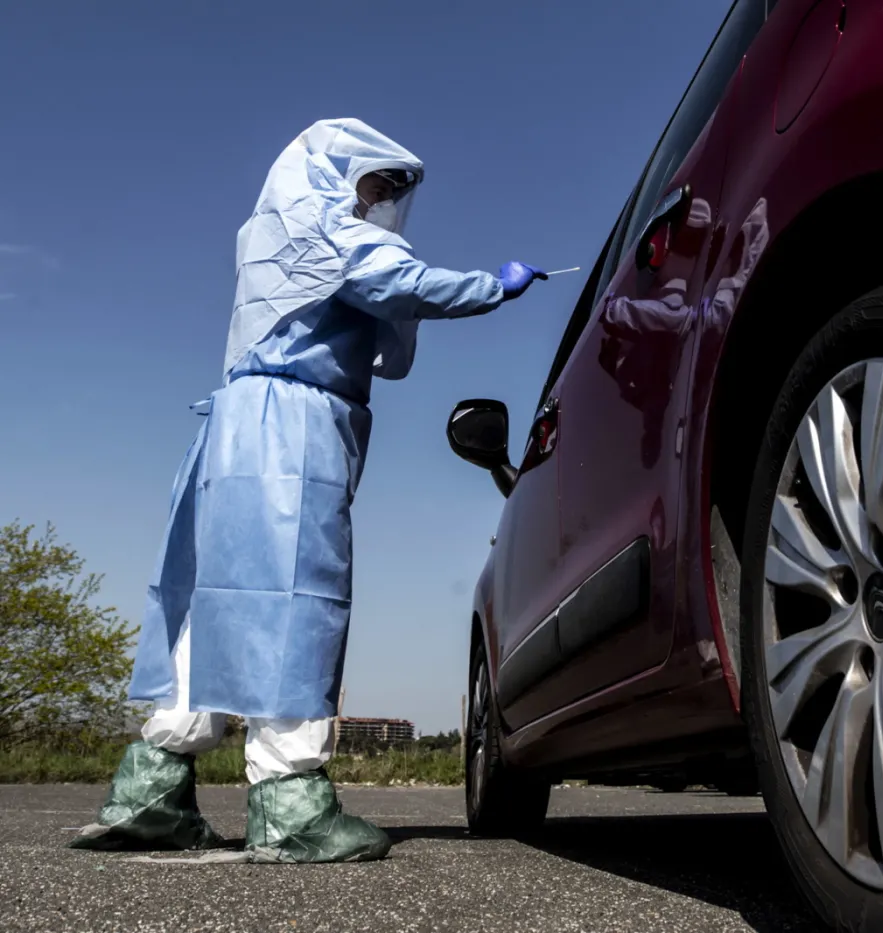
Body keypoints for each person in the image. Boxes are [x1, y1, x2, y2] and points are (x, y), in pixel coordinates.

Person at [68, 118, 549, 863]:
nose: (383, 200)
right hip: (294, 425)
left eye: (392, 191)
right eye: (377, 182)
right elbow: (403, 284)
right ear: (334, 172)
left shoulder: (272, 234)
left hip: (231, 428)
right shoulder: (332, 233)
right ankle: (290, 800)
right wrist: (495, 286)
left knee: (213, 599)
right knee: (299, 597)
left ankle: (153, 788)